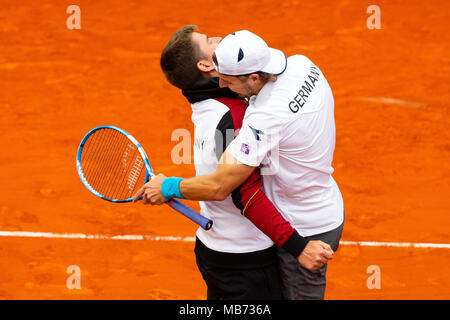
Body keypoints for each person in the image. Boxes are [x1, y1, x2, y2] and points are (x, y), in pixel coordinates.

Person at [135, 30, 344, 300]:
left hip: (301, 230)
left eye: (228, 79)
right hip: (318, 211)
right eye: (210, 41)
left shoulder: (254, 118)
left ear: (253, 77)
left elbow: (229, 188)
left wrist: (169, 186)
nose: (223, 83)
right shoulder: (304, 64)